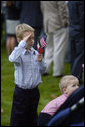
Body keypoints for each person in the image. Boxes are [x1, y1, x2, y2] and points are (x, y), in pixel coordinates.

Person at [9, 23, 47, 126]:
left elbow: (44, 70)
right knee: (18, 117)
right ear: (19, 39)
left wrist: (40, 61)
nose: (32, 41)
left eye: (33, 38)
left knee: (32, 116)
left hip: (34, 91)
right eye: (28, 39)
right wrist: (22, 43)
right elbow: (11, 58)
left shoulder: (35, 53)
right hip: (21, 93)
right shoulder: (18, 54)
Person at [40, 1, 69, 77]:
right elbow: (63, 9)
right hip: (58, 23)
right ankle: (57, 72)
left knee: (49, 48)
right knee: (59, 49)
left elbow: (42, 8)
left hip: (47, 22)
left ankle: (45, 69)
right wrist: (65, 22)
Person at [67, 1, 84, 84]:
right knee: (80, 56)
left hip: (72, 29)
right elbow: (82, 18)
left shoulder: (70, 2)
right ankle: (76, 77)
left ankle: (73, 77)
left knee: (74, 55)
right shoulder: (81, 3)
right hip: (80, 31)